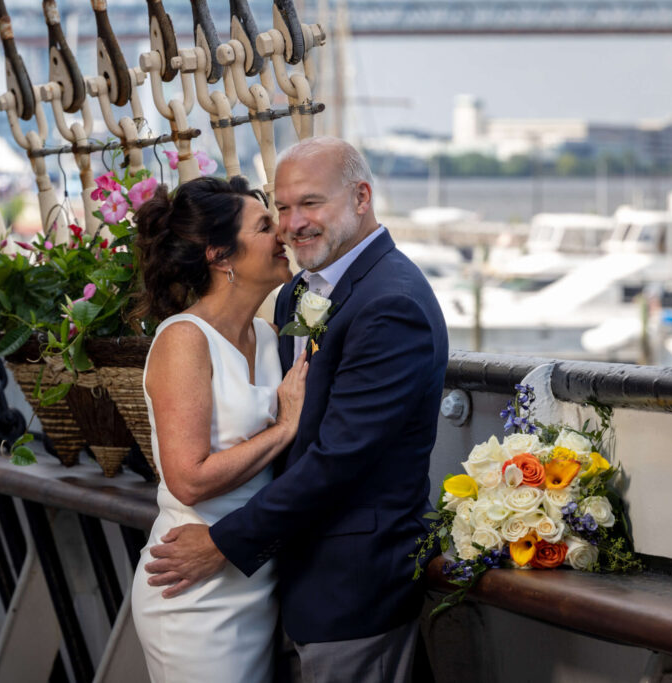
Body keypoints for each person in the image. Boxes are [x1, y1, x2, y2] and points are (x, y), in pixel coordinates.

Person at [143, 137, 449, 683]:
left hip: (348, 583)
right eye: (279, 210)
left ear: (361, 196)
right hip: (264, 576)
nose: (291, 224)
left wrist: (223, 543)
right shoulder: (292, 298)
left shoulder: (391, 302)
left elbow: (339, 458)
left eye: (310, 203)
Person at [129, 175, 310, 682]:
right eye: (264, 226)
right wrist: (284, 427)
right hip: (192, 590)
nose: (283, 235)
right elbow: (187, 478)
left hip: (252, 572)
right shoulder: (185, 341)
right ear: (220, 255)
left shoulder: (268, 334)